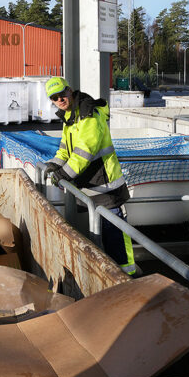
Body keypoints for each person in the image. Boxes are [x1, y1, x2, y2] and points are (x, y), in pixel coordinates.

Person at [43, 76, 137, 275]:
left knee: (115, 234)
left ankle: (128, 277)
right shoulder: (70, 117)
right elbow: (65, 150)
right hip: (91, 186)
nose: (60, 99)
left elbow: (85, 151)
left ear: (70, 90)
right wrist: (54, 164)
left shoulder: (88, 113)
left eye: (61, 94)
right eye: (54, 98)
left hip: (106, 185)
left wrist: (63, 174)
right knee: (100, 234)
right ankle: (111, 275)